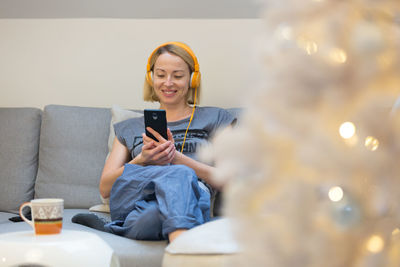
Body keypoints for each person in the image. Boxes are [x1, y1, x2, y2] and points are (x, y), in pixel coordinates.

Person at [73, 41, 236, 242]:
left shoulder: (216, 118)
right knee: (175, 175)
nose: (168, 83)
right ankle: (181, 246)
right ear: (151, 78)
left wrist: (176, 159)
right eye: (160, 75)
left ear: (192, 80)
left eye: (177, 76)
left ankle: (117, 229)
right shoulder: (129, 127)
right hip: (138, 195)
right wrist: (141, 160)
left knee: (162, 200)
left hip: (189, 199)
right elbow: (105, 188)